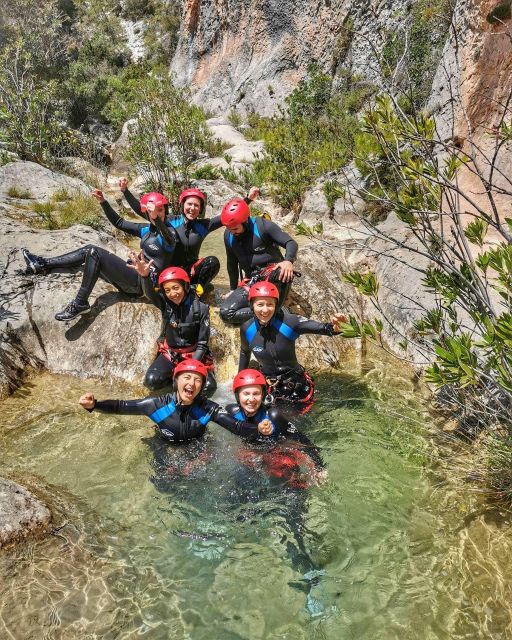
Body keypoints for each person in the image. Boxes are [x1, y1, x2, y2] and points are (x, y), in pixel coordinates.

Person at [21, 190, 178, 321]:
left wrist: (156, 219)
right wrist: (103, 201)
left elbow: (168, 239)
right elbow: (119, 223)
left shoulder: (170, 233)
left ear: (165, 210)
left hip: (143, 284)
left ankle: (80, 303)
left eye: (161, 210)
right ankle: (41, 264)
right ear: (146, 212)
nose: (157, 213)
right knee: (88, 250)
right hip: (132, 273)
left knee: (94, 253)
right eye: (153, 210)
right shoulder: (145, 229)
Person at [78, 359, 274, 443]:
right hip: (165, 445)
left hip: (197, 450)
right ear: (176, 381)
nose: (192, 383)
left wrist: (258, 429)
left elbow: (237, 427)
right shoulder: (156, 405)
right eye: (187, 378)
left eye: (198, 380)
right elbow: (122, 406)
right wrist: (96, 405)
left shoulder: (208, 409)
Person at [119, 177, 260, 292]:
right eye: (189, 204)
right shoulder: (169, 221)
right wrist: (125, 191)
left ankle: (197, 291)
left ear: (200, 209)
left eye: (196, 206)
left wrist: (248, 199)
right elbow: (143, 210)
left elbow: (227, 215)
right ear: (182, 205)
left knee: (212, 262)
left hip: (191, 272)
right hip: (169, 272)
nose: (192, 208)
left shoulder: (204, 226)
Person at [238, 282, 347, 413]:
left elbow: (323, 328)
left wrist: (335, 327)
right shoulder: (247, 328)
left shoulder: (290, 322)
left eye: (270, 304)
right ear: (252, 305)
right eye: (260, 304)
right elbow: (245, 352)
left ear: (276, 305)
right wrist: (240, 383)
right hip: (267, 386)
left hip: (296, 385)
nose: (265, 310)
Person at [128, 251, 216, 394]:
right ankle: (173, 380)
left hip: (194, 354)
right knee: (151, 382)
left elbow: (202, 344)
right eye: (167, 290)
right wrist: (144, 276)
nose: (172, 294)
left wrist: (189, 367)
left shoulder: (201, 309)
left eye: (176, 288)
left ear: (186, 286)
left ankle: (180, 380)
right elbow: (150, 294)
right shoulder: (165, 304)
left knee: (208, 388)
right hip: (170, 353)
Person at [227, 369, 326, 489]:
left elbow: (302, 440)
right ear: (238, 395)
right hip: (251, 454)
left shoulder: (273, 415)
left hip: (277, 452)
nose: (251, 399)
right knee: (241, 484)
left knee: (289, 487)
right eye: (246, 394)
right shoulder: (231, 412)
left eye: (256, 393)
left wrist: (319, 467)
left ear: (263, 395)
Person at [219, 192, 299, 325]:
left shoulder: (263, 226)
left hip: (273, 274)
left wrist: (288, 261)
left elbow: (291, 243)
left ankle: (276, 310)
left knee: (283, 271)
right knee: (226, 313)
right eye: (229, 228)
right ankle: (269, 313)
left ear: (245, 221)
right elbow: (231, 263)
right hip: (252, 280)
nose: (232, 231)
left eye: (235, 228)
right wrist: (232, 289)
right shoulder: (228, 235)